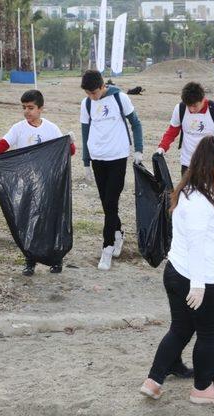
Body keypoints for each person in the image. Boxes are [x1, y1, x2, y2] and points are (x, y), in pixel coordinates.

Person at [140, 136, 214, 404]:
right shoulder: (198, 202)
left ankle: (154, 380)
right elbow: (196, 244)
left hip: (178, 273)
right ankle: (202, 389)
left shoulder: (192, 192)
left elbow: (207, 233)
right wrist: (200, 285)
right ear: (206, 168)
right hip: (198, 277)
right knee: (208, 333)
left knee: (180, 329)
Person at [0, 90, 74, 276]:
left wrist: (70, 143)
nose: (27, 111)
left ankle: (56, 258)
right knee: (27, 220)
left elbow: (65, 153)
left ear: (40, 108)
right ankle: (30, 259)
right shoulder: (18, 129)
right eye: (24, 108)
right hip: (26, 184)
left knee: (49, 219)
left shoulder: (51, 129)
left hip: (48, 184)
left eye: (31, 108)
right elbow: (4, 143)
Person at [79, 69, 144, 271]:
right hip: (98, 157)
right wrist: (86, 161)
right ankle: (118, 233)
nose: (91, 97)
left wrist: (139, 150)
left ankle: (107, 248)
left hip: (117, 156)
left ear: (102, 86)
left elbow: (136, 123)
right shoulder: (87, 103)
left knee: (111, 201)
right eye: (88, 94)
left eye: (94, 93)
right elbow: (85, 131)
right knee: (107, 205)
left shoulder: (120, 98)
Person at [157, 82, 214, 176]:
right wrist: (162, 147)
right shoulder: (180, 109)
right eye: (188, 106)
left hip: (212, 164)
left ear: (203, 99)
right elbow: (172, 132)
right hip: (188, 163)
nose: (191, 109)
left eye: (195, 106)